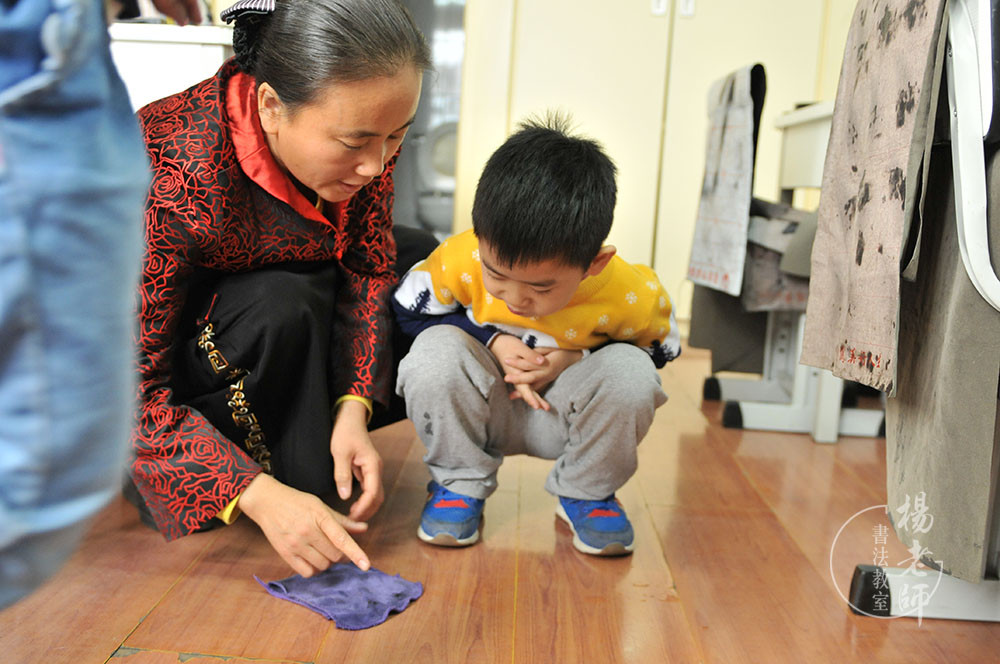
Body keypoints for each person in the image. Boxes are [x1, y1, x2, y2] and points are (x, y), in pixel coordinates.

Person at [128, 0, 437, 578]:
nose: (376, 165)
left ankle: (320, 439)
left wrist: (353, 408)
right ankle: (241, 474)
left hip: (281, 312)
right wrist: (254, 494)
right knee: (284, 301)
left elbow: (368, 267)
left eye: (397, 136)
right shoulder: (168, 166)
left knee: (419, 261)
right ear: (270, 106)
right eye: (355, 142)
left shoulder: (366, 137)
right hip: (170, 373)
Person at [393, 116, 681, 556]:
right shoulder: (459, 258)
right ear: (479, 237)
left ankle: (588, 491)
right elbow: (407, 314)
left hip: (565, 415)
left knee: (632, 373)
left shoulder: (631, 293)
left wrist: (575, 357)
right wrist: (491, 341)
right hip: (480, 409)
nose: (514, 299)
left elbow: (659, 351)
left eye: (541, 288)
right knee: (434, 351)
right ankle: (458, 484)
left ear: (594, 264)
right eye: (496, 275)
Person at [0, 0, 202, 610]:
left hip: (62, 51)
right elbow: (145, 370)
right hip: (42, 59)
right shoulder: (185, 157)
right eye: (355, 140)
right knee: (45, 481)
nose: (373, 163)